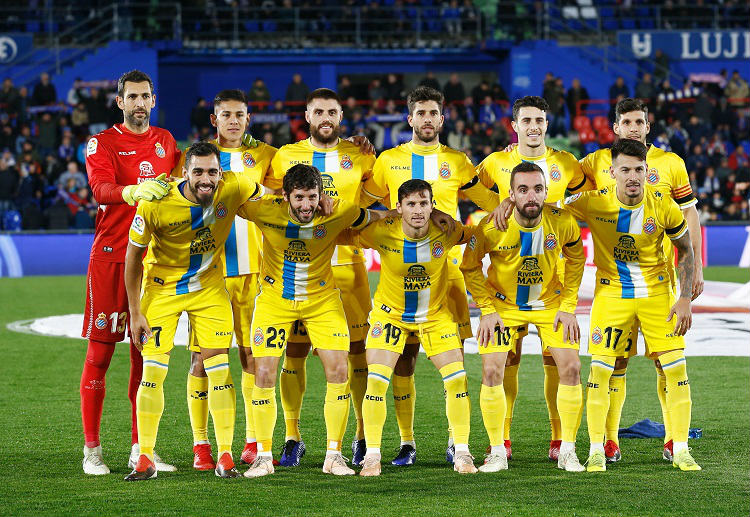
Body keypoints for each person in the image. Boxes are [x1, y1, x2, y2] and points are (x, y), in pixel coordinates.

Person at [361, 86, 500, 466]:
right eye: (419, 113)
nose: (426, 119)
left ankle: (459, 443)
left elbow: (493, 205)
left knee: (455, 368)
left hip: (446, 274)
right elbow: (360, 203)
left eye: (432, 113)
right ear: (410, 119)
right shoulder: (389, 160)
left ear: (442, 119)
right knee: (401, 363)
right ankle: (406, 443)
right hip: (396, 265)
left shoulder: (458, 161)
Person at [239, 164, 406, 479]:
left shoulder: (338, 211)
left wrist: (418, 216)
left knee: (339, 369)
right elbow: (228, 196)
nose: (306, 205)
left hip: (322, 301)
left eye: (312, 197)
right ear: (285, 195)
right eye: (299, 197)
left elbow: (377, 218)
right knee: (263, 372)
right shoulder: (264, 209)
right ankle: (263, 456)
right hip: (275, 301)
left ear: (321, 195)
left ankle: (334, 455)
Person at [124, 142, 264, 480]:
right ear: (183, 173)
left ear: (220, 173)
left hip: (209, 290)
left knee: (219, 368)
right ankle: (144, 458)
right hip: (161, 290)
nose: (206, 179)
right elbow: (132, 260)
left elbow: (272, 196)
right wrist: (135, 311)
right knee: (153, 373)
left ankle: (225, 455)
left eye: (212, 172)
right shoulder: (155, 203)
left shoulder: (234, 185)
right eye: (198, 171)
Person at [579, 98, 704, 463]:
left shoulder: (671, 165)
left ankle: (675, 442)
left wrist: (692, 278)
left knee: (667, 363)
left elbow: (687, 218)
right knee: (612, 364)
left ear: (648, 126)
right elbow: (556, 194)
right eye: (627, 121)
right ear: (615, 127)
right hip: (612, 289)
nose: (634, 127)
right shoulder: (594, 164)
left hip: (659, 283)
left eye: (639, 121)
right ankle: (605, 443)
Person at [476, 95, 589, 462]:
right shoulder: (496, 162)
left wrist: (560, 212)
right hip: (506, 289)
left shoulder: (566, 163)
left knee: (560, 364)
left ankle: (561, 441)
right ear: (515, 125)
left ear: (547, 122)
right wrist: (496, 206)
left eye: (539, 119)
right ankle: (501, 442)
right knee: (504, 363)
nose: (533, 127)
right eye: (526, 120)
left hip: (549, 287)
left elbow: (584, 193)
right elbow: (471, 189)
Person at [269, 88, 377, 467]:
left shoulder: (360, 154)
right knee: (293, 353)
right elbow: (272, 201)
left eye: (332, 110)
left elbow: (375, 199)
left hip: (348, 269)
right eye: (319, 111)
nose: (326, 117)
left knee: (355, 355)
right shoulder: (286, 156)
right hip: (298, 270)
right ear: (308, 115)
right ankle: (292, 436)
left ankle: (361, 436)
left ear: (341, 115)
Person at [80, 70, 181, 476]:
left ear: (153, 100)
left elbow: (182, 186)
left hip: (151, 263)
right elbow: (99, 188)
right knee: (100, 355)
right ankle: (92, 451)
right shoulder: (101, 143)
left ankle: (142, 449)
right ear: (119, 102)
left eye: (145, 96)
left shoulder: (166, 141)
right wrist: (132, 191)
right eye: (132, 97)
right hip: (110, 258)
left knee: (145, 356)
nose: (139, 103)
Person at [175, 89, 280, 471]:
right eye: (226, 115)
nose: (233, 121)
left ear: (248, 119)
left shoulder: (267, 157)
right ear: (214, 119)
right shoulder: (198, 159)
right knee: (203, 360)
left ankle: (254, 440)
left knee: (253, 357)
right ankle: (201, 444)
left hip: (256, 273)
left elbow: (296, 186)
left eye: (240, 115)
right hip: (210, 276)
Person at [353, 179, 477, 476]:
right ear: (399, 207)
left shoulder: (446, 231)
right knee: (377, 382)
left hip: (434, 315)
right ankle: (372, 454)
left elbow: (473, 237)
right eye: (411, 204)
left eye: (424, 203)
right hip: (390, 316)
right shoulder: (381, 232)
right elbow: (343, 233)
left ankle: (462, 451)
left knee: (457, 379)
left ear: (432, 206)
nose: (418, 210)